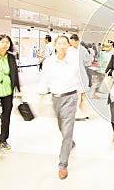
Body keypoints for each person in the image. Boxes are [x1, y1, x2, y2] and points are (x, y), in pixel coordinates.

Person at [39, 36, 79, 180]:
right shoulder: (49, 62)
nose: (62, 46)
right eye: (59, 43)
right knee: (62, 127)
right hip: (56, 98)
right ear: (55, 45)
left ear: (68, 45)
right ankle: (70, 142)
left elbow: (81, 77)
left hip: (70, 97)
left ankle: (63, 165)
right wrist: (41, 95)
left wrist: (82, 96)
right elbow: (44, 79)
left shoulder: (74, 61)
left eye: (64, 43)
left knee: (67, 130)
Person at [69, 35, 93, 118]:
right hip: (72, 76)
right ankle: (76, 113)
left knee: (83, 95)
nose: (71, 44)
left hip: (81, 75)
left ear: (77, 41)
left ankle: (86, 113)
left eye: (72, 42)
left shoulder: (83, 50)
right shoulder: (70, 50)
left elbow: (88, 62)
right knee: (74, 96)